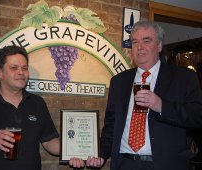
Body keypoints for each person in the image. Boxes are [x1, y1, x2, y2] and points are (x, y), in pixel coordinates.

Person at [70, 20, 202, 170]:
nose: (140, 47)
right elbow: (111, 125)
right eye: (135, 42)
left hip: (165, 164)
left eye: (147, 41)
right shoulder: (119, 81)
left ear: (159, 46)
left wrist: (161, 106)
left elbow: (197, 117)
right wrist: (101, 154)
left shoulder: (183, 77)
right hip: (125, 163)